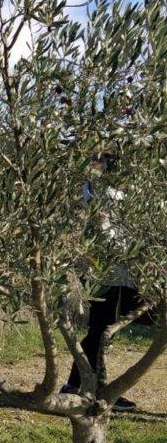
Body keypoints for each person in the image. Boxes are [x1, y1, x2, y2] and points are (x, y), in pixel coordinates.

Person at [61, 157, 138, 412]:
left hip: (112, 270)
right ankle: (82, 387)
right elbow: (107, 233)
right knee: (102, 329)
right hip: (109, 271)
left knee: (104, 328)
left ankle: (87, 385)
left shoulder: (105, 191)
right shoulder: (105, 193)